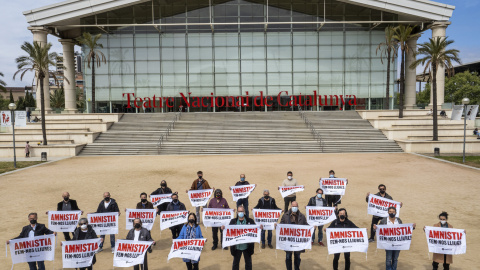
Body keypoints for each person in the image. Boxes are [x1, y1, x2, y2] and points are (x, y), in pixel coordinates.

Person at [222, 206, 258, 270]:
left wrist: (260, 227)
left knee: (248, 264)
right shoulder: (233, 222)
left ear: (244, 212)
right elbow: (228, 230)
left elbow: (256, 229)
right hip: (237, 247)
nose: (240, 213)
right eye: (239, 211)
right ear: (237, 212)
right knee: (235, 264)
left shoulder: (250, 221)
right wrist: (223, 228)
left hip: (247, 247)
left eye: (242, 211)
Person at [279, 201, 308, 270]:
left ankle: (296, 268)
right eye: (293, 206)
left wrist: (312, 228)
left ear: (298, 207)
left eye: (296, 206)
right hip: (288, 241)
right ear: (290, 206)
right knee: (288, 257)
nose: (294, 207)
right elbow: (281, 226)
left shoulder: (302, 216)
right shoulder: (285, 215)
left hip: (298, 241)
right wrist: (276, 226)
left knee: (297, 257)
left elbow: (306, 226)